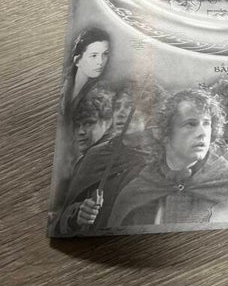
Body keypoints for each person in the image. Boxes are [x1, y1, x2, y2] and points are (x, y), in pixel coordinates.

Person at [107, 88, 228, 230]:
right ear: (164, 133)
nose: (202, 133)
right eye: (191, 124)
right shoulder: (137, 190)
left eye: (206, 123)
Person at [52, 82, 163, 236]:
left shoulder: (162, 159)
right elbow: (64, 217)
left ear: (150, 116)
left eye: (129, 106)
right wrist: (77, 215)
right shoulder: (95, 155)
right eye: (117, 107)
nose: (120, 113)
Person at [61, 27, 111, 121]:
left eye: (105, 54)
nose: (100, 62)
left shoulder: (101, 95)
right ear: (77, 60)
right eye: (94, 55)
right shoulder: (63, 83)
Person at [71, 87, 114, 160]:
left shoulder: (99, 154)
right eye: (77, 125)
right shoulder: (88, 155)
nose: (80, 132)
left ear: (108, 122)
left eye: (88, 123)